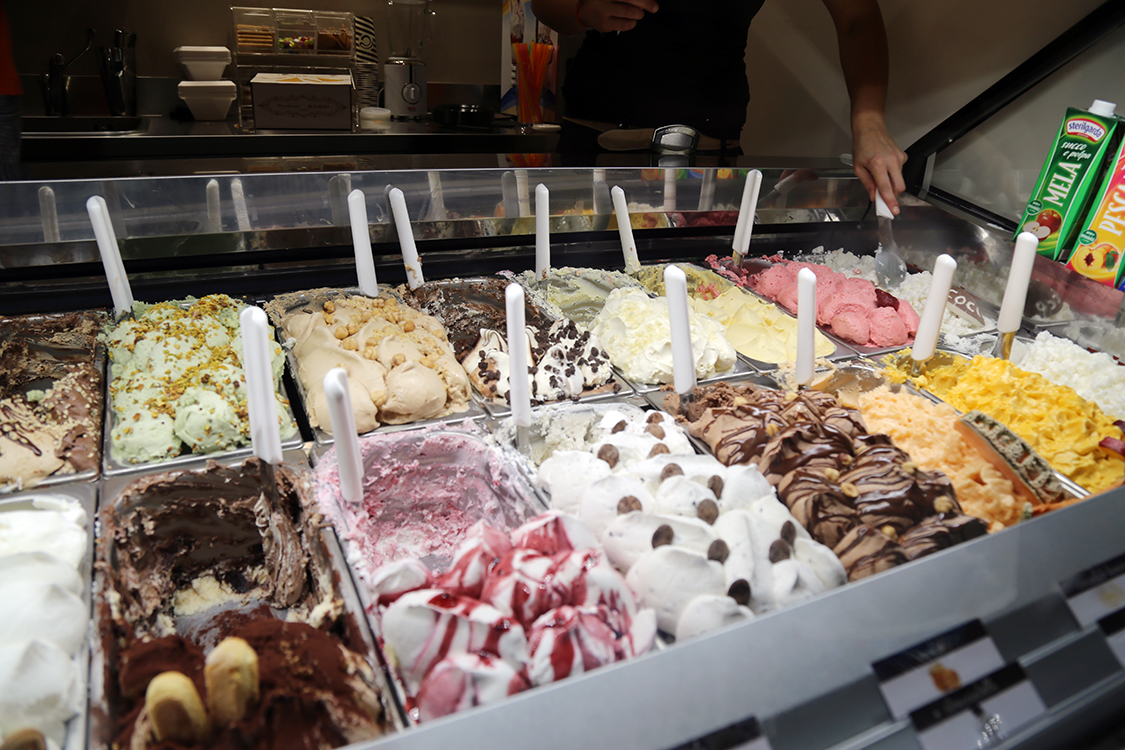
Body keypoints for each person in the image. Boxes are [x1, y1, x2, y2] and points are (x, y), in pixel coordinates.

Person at [529, 0, 907, 213]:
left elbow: (857, 17)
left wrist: (869, 121)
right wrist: (582, 8)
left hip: (711, 155)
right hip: (595, 143)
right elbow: (544, 5)